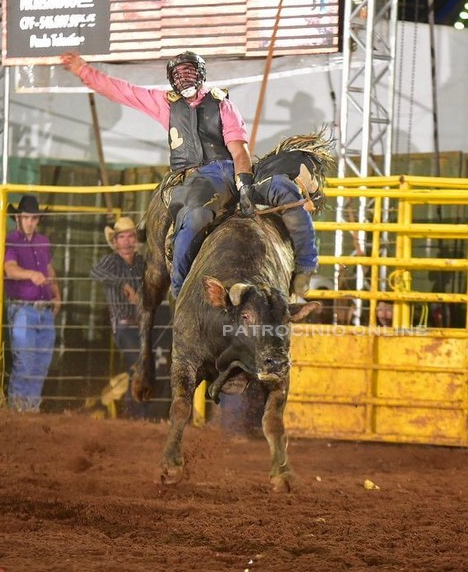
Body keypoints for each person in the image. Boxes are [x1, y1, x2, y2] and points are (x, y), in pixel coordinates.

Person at [59, 49, 318, 298]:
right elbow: (122, 91)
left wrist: (245, 184)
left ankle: (305, 266)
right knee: (195, 217)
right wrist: (82, 69)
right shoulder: (166, 105)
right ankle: (181, 289)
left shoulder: (222, 105)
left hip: (232, 171)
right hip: (198, 178)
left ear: (201, 74)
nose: (183, 78)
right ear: (172, 80)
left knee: (285, 189)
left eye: (189, 72)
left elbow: (239, 152)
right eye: (178, 74)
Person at [3, 195, 61, 412]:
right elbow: (9, 269)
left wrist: (56, 292)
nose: (30, 222)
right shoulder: (11, 240)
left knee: (40, 365)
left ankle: (30, 409)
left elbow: (49, 269)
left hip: (42, 310)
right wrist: (31, 274)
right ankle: (18, 411)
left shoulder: (43, 241)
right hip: (23, 309)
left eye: (34, 218)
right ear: (18, 218)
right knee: (26, 362)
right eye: (26, 217)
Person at [91, 216, 149, 419]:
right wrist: (124, 285)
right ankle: (135, 413)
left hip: (142, 325)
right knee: (139, 366)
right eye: (122, 237)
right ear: (115, 242)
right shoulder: (111, 261)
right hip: (123, 326)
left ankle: (133, 412)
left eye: (130, 236)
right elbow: (96, 272)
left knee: (142, 367)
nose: (127, 241)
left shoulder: (142, 263)